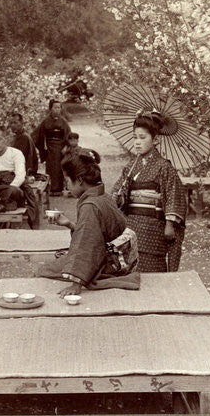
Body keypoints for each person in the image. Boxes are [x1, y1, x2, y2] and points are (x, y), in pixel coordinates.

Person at [37, 149, 134, 296]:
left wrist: (76, 284)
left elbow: (87, 244)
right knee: (57, 264)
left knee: (43, 271)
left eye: (67, 181)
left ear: (80, 180)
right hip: (113, 256)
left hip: (108, 264)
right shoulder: (103, 196)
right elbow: (93, 234)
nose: (67, 186)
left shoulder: (90, 206)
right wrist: (69, 224)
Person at [112, 112, 187, 272]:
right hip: (132, 225)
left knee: (153, 271)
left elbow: (174, 196)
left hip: (153, 228)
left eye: (142, 137)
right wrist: (120, 193)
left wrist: (169, 225)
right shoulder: (131, 166)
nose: (137, 142)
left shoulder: (164, 167)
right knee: (131, 267)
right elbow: (117, 196)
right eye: (135, 137)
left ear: (155, 140)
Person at [0, 125, 27, 213]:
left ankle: (0, 201)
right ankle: (1, 202)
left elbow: (20, 176)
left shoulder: (16, 153)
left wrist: (8, 190)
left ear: (6, 139)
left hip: (15, 188)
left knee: (12, 191)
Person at [33, 100, 71, 196]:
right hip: (49, 147)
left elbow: (69, 135)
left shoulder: (63, 122)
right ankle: (51, 188)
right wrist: (43, 148)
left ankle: (58, 189)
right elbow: (37, 134)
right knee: (50, 167)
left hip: (60, 147)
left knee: (58, 167)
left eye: (59, 107)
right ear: (50, 109)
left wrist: (66, 146)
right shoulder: (46, 121)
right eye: (55, 107)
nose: (57, 109)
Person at [8, 112, 38, 177]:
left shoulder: (24, 137)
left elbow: (19, 159)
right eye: (11, 123)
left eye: (15, 123)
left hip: (25, 172)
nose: (12, 125)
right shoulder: (17, 136)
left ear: (22, 123)